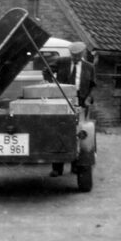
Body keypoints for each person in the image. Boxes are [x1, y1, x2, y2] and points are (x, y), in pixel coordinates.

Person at [44, 41, 95, 177]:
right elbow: (46, 71)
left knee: (79, 133)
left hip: (80, 101)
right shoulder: (62, 62)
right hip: (62, 100)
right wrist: (53, 85)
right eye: (73, 55)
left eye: (77, 56)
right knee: (58, 131)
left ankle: (76, 166)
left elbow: (92, 84)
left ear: (82, 54)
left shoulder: (89, 67)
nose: (75, 58)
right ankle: (57, 168)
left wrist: (87, 98)